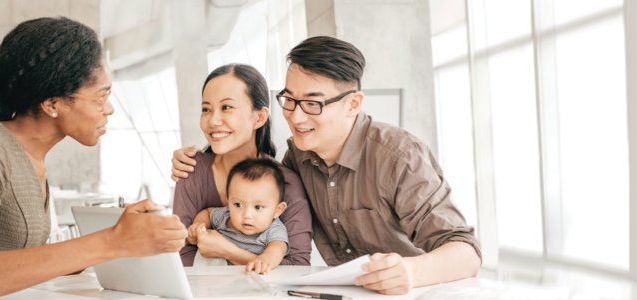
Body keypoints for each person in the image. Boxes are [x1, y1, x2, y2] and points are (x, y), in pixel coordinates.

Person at [171, 36, 482, 295]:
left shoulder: (399, 156)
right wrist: (195, 157)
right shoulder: (296, 159)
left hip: (417, 293)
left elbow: (466, 252)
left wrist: (411, 271)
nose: (295, 116)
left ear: (353, 104)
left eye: (313, 103)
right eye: (289, 100)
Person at [0, 17, 187, 300]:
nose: (108, 109)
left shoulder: (34, 158)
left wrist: (118, 234)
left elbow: (23, 264)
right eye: (100, 97)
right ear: (52, 103)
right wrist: (112, 241)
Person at [172, 63, 313, 267]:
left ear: (259, 117)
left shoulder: (286, 183)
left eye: (226, 107)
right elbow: (180, 258)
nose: (213, 120)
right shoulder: (190, 170)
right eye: (206, 109)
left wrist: (228, 251)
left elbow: (297, 268)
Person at [187, 158, 290, 274]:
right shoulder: (225, 216)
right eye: (238, 205)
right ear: (229, 201)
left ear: (277, 210)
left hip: (247, 280)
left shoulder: (273, 230)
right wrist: (197, 225)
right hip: (210, 277)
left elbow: (278, 250)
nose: (247, 215)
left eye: (258, 207)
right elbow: (207, 212)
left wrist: (264, 260)